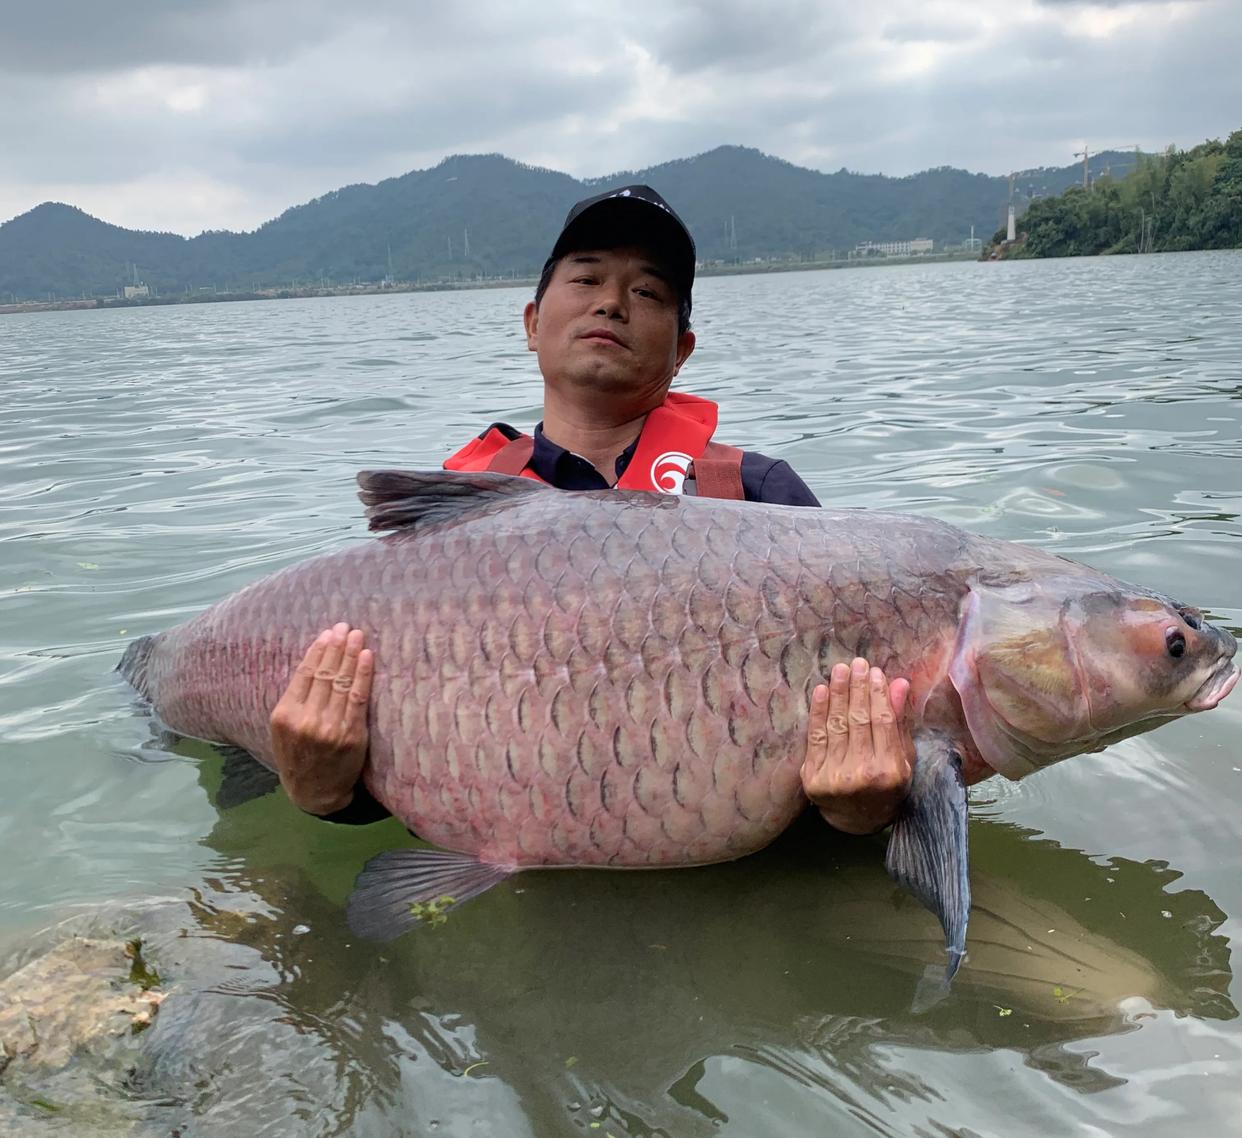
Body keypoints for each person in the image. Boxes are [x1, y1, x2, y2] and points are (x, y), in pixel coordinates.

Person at [269, 186, 915, 836]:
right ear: (531, 323)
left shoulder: (760, 497)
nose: (611, 302)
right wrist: (328, 796)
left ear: (682, 350)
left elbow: (861, 749)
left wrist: (865, 815)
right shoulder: (449, 530)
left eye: (647, 292)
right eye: (586, 279)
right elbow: (394, 770)